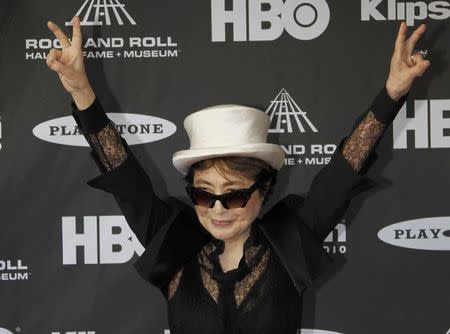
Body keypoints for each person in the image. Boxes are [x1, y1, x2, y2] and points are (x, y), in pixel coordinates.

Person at [46, 16, 430, 334]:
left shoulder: (291, 237)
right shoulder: (173, 242)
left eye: (232, 195)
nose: (217, 209)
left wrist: (391, 94)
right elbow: (125, 176)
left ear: (263, 189)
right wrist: (83, 95)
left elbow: (345, 169)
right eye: (202, 194)